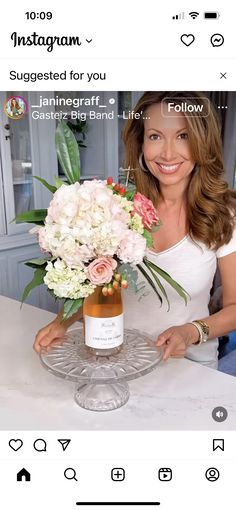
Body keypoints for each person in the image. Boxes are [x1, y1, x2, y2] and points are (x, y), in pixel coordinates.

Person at [34, 91, 236, 369]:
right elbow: (95, 286)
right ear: (140, 143)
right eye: (155, 136)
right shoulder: (115, 205)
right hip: (116, 362)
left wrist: (190, 332)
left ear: (203, 141)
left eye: (183, 136)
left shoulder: (225, 213)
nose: (167, 152)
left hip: (189, 368)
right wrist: (61, 322)